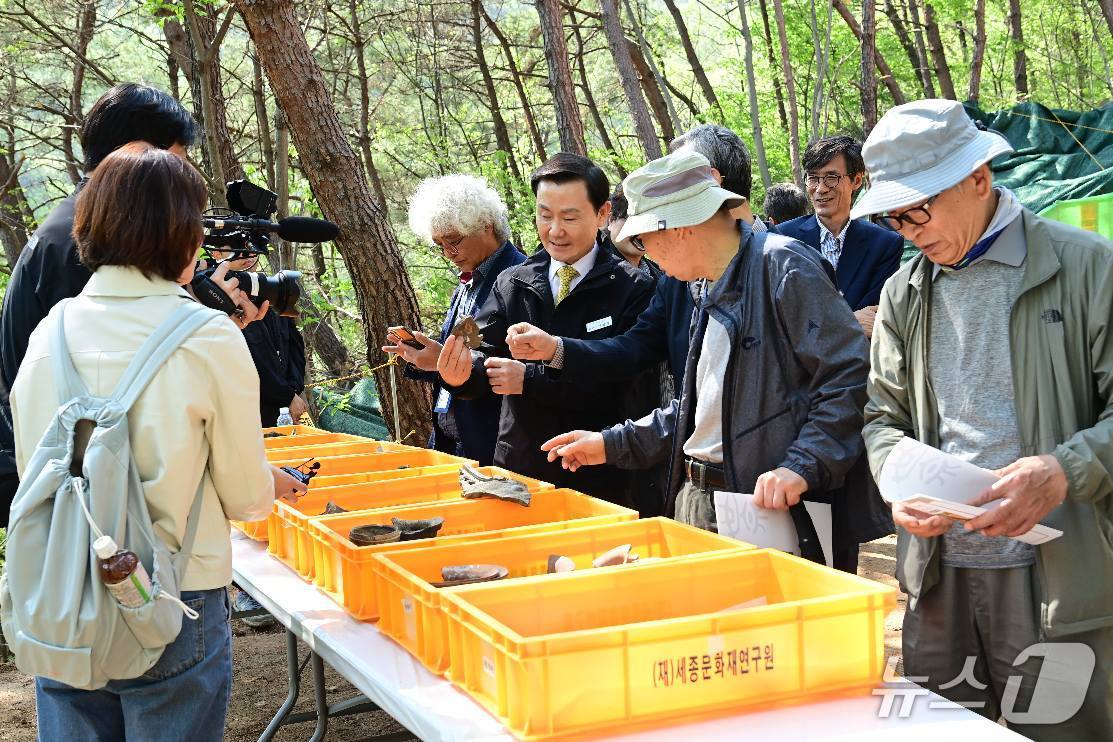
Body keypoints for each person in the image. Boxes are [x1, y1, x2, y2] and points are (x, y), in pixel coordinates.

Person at [8, 142, 307, 740]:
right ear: (189, 239)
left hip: (62, 589)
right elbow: (248, 500)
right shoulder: (208, 336)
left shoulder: (51, 331)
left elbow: (33, 466)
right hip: (173, 595)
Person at [857, 99, 1113, 739]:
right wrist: (897, 483)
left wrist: (1062, 471)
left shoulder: (1085, 267)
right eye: (896, 217)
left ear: (980, 178)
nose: (910, 229)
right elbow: (881, 417)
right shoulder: (903, 290)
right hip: (939, 575)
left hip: (1058, 579)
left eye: (921, 209)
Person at [542, 149, 889, 573]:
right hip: (705, 501)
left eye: (647, 241)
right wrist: (611, 443)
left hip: (770, 510)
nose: (649, 256)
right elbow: (702, 409)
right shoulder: (704, 287)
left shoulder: (784, 267)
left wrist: (802, 465)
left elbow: (847, 379)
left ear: (680, 229)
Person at [0, 83, 263, 526]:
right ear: (138, 153)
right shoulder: (79, 245)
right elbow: (116, 400)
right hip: (110, 522)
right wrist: (203, 332)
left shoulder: (73, 227)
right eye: (175, 163)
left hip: (62, 503)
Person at [436, 153, 655, 504]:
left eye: (570, 217)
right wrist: (460, 374)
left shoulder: (633, 287)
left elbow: (625, 378)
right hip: (520, 471)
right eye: (545, 215)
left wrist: (531, 378)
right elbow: (474, 342)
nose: (555, 230)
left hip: (600, 477)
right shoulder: (512, 280)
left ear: (603, 214)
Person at [383, 174, 525, 465]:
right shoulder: (469, 282)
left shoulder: (522, 278)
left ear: (485, 225)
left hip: (494, 445)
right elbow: (469, 348)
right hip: (454, 443)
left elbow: (514, 369)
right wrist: (428, 356)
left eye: (454, 241)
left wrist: (441, 361)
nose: (449, 253)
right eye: (440, 245)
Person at [776, 135, 903, 338]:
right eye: (813, 177)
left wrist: (815, 323)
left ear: (857, 180)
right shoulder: (783, 238)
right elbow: (780, 320)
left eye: (831, 177)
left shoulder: (884, 245)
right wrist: (850, 321)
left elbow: (873, 321)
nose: (820, 188)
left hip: (859, 366)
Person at [206, 249, 307, 427]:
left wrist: (293, 391)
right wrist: (286, 395)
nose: (247, 256)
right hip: (244, 412)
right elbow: (249, 359)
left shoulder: (273, 290)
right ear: (216, 253)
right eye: (237, 249)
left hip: (286, 407)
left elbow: (294, 346)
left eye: (250, 248)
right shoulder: (212, 299)